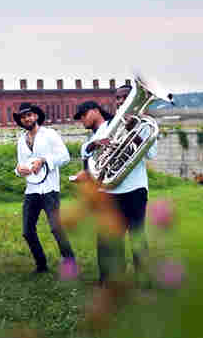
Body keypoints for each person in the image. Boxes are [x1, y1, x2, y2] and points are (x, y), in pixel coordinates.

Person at [75, 86, 157, 284]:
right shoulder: (109, 125)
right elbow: (85, 150)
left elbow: (151, 154)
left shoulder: (144, 124)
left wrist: (133, 132)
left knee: (137, 235)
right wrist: (96, 144)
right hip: (111, 190)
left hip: (135, 188)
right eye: (118, 98)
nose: (120, 101)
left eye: (124, 97)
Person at [13, 102, 75, 274]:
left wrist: (44, 160)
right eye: (23, 117)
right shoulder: (21, 140)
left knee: (56, 228)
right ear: (21, 120)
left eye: (30, 115)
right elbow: (20, 165)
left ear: (36, 116)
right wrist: (18, 170)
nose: (27, 118)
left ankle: (70, 262)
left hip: (50, 190)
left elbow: (65, 157)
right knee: (27, 231)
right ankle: (41, 265)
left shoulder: (50, 134)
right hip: (31, 191)